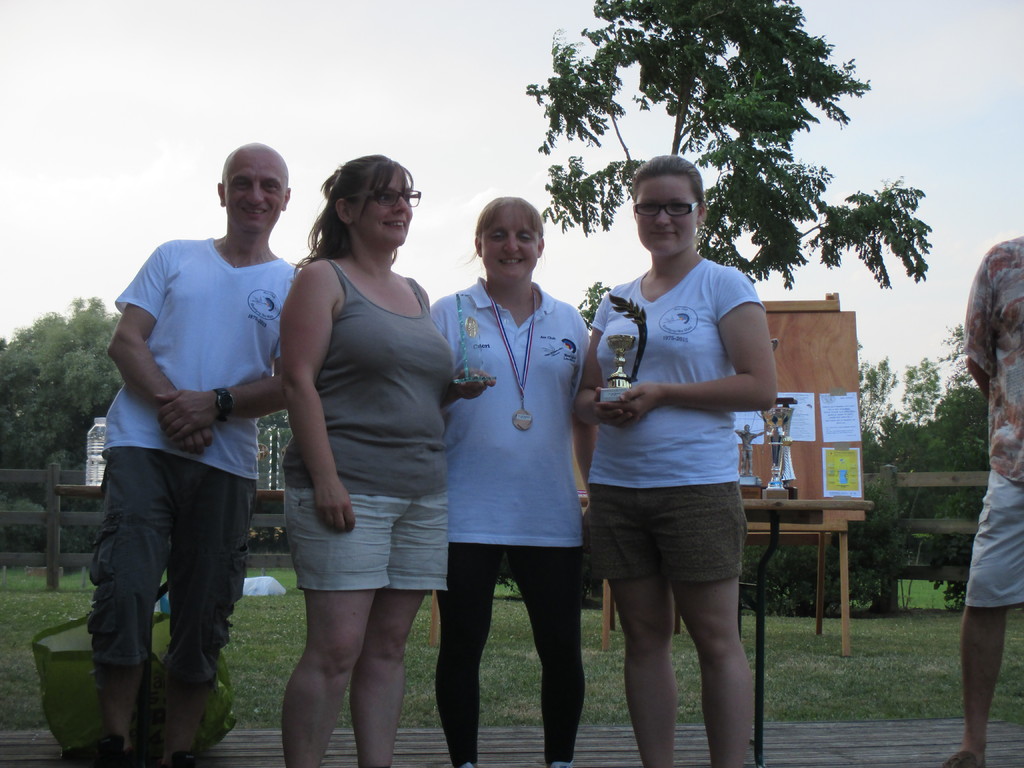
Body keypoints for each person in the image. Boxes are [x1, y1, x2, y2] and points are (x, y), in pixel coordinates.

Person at [89, 143, 295, 768]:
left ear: (285, 199)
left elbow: (292, 381)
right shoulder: (174, 257)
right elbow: (126, 342)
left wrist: (218, 405)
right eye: (242, 182)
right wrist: (178, 411)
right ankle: (116, 743)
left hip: (225, 463)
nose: (254, 195)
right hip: (142, 446)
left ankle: (177, 752)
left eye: (268, 185)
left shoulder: (291, 284)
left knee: (205, 607)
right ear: (222, 191)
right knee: (125, 590)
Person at [279, 155, 484, 768]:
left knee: (389, 649)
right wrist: (326, 479)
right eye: (385, 196)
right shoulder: (323, 279)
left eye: (407, 196)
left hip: (422, 492)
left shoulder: (415, 292)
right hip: (348, 489)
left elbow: (407, 390)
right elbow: (296, 380)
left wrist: (455, 390)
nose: (401, 207)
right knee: (336, 649)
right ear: (346, 210)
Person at [574, 155, 777, 768]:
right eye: (649, 207)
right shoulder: (614, 300)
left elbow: (760, 388)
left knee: (717, 641)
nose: (662, 218)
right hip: (618, 490)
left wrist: (663, 394)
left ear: (700, 213)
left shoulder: (724, 285)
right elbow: (583, 398)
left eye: (676, 207)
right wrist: (603, 408)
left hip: (696, 488)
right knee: (643, 640)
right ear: (635, 214)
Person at [431, 197, 595, 768]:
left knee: (561, 647)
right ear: (479, 245)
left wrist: (595, 492)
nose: (512, 246)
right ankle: (465, 762)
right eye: (498, 235)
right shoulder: (448, 312)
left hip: (547, 510)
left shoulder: (569, 320)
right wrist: (450, 390)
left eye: (525, 235)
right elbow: (419, 401)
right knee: (461, 646)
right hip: (466, 509)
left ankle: (560, 761)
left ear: (541, 246)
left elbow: (584, 415)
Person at [942, 235, 1024, 768]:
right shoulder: (1003, 263)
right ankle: (974, 744)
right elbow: (978, 358)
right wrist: (1011, 412)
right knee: (986, 590)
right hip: (1016, 463)